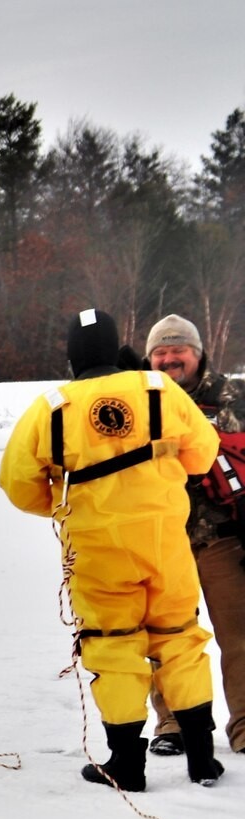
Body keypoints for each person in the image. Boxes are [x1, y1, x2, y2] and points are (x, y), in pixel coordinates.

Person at [0, 307, 223, 790]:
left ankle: (126, 764)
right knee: (180, 636)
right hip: (165, 543)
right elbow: (203, 454)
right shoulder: (159, 390)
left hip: (99, 551)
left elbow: (18, 486)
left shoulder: (51, 407)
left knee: (113, 646)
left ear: (72, 356)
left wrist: (64, 507)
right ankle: (202, 759)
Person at [139, 314, 245, 758]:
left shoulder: (234, 395)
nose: (169, 358)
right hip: (162, 539)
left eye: (178, 349)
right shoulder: (139, 400)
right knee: (167, 635)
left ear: (198, 354)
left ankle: (244, 724)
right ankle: (173, 723)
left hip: (224, 537)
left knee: (238, 635)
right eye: (160, 352)